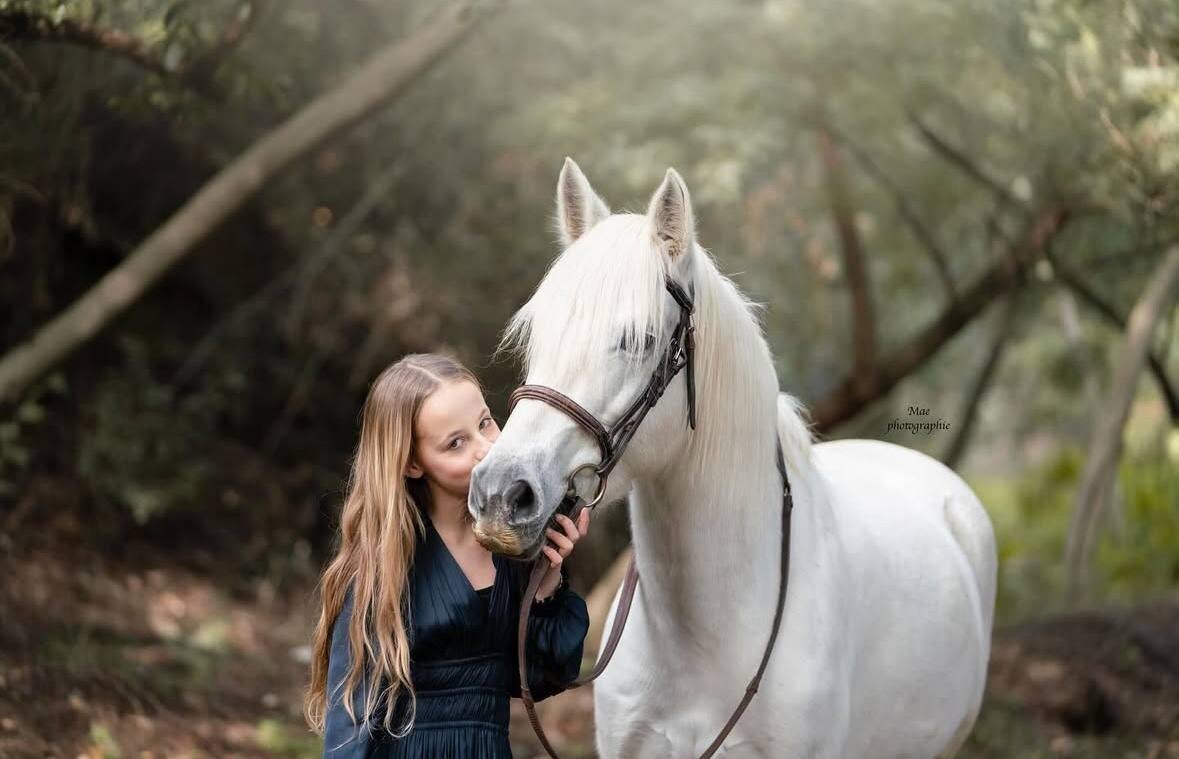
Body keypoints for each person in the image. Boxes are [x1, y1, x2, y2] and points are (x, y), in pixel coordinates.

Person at [303, 353, 591, 758]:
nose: (485, 448)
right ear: (412, 462)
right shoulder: (383, 566)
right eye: (456, 443)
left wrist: (545, 585)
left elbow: (538, 680)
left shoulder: (513, 552)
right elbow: (350, 724)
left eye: (485, 423)